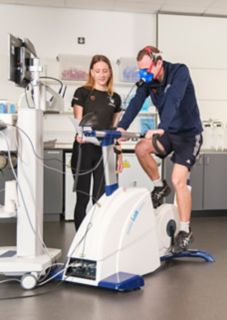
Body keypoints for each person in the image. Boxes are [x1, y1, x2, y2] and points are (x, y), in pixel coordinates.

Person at [117, 46, 203, 253]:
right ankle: (158, 186)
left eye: (147, 69)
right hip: (169, 134)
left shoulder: (179, 72)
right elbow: (136, 102)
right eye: (141, 71)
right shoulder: (149, 81)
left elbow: (173, 100)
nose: (144, 74)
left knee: (178, 180)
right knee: (140, 149)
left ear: (159, 62)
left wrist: (160, 128)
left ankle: (184, 229)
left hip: (189, 136)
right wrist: (122, 127)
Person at [71, 54, 122, 230]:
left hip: (105, 151)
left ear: (110, 73)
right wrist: (81, 134)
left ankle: (96, 238)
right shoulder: (82, 93)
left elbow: (115, 130)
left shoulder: (115, 98)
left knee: (101, 199)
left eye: (105, 71)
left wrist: (119, 154)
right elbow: (79, 123)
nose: (101, 74)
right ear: (91, 72)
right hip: (83, 150)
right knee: (82, 197)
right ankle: (79, 239)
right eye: (98, 71)